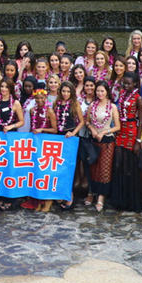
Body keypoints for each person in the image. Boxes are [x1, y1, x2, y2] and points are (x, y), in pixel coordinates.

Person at [109, 73, 142, 213]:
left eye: (129, 83)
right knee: (118, 164)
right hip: (121, 130)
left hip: (131, 130)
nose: (125, 86)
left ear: (135, 84)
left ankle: (131, 201)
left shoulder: (138, 98)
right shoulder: (122, 93)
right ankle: (118, 199)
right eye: (124, 83)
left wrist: (138, 140)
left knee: (129, 165)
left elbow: (141, 120)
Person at [0, 80, 22, 212]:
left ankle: (9, 197)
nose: (3, 89)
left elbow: (21, 121)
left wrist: (11, 126)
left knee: (8, 168)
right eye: (2, 86)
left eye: (6, 87)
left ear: (11, 88)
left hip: (9, 138)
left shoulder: (15, 103)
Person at [86, 81, 120, 212]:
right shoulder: (92, 105)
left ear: (107, 92)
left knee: (104, 170)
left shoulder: (112, 107)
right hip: (94, 139)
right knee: (94, 168)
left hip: (107, 140)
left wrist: (104, 132)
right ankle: (92, 193)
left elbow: (117, 126)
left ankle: (101, 197)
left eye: (102, 91)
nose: (100, 93)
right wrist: (93, 130)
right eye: (98, 91)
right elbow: (87, 121)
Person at [54, 81, 84, 210]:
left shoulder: (74, 104)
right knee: (58, 166)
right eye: (63, 91)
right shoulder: (57, 103)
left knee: (69, 167)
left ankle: (70, 194)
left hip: (70, 137)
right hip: (59, 136)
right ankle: (60, 192)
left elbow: (82, 121)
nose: (65, 94)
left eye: (68, 91)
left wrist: (73, 133)